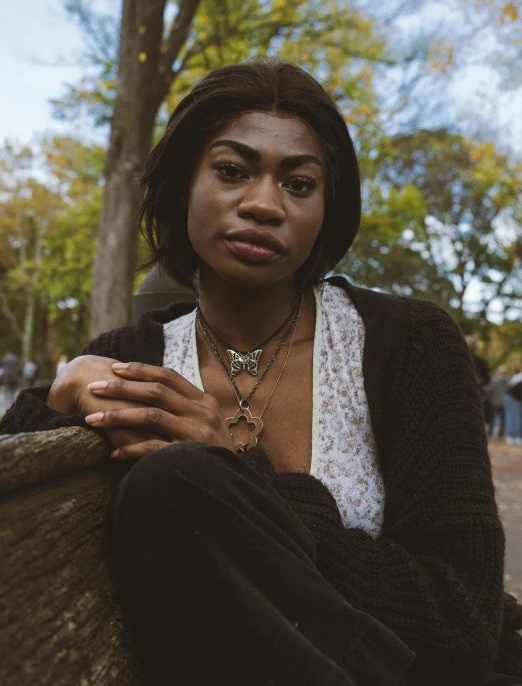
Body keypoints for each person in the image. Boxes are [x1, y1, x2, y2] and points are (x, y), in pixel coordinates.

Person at [2, 62, 522, 686]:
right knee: (172, 483)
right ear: (182, 187)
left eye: (299, 184)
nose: (263, 204)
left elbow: (463, 622)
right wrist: (63, 388)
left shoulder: (410, 343)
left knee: (181, 479)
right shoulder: (135, 356)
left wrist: (246, 484)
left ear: (327, 209)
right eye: (231, 171)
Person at [464, 335, 491, 425]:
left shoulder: (481, 362)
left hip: (477, 393)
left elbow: (487, 379)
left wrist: (480, 380)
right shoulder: (458, 359)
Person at [487, 365, 510, 438]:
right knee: (501, 419)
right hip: (503, 402)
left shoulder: (494, 380)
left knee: (493, 418)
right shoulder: (507, 381)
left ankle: (491, 432)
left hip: (495, 401)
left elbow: (490, 390)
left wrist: (488, 398)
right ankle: (500, 433)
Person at [505, 368, 522, 446]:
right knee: (512, 417)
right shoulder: (517, 377)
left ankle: (517, 436)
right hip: (512, 398)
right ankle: (510, 436)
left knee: (518, 417)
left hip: (518, 399)